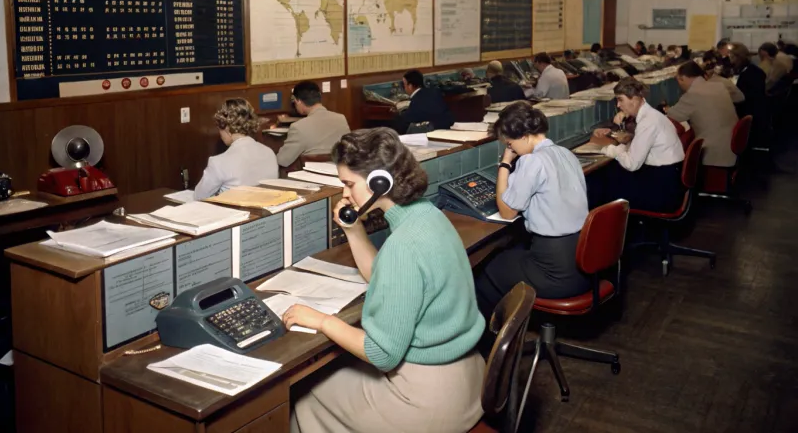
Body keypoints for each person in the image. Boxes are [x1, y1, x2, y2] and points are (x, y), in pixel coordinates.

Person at [286, 128, 485, 433]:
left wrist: (323, 321)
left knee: (304, 393)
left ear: (380, 182)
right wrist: (353, 231)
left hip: (429, 402)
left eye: (349, 184)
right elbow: (383, 274)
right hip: (469, 380)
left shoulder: (403, 247)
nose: (345, 194)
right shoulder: (427, 215)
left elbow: (382, 353)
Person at [474, 103, 590, 319]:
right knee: (512, 253)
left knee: (486, 268)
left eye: (510, 144)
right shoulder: (565, 153)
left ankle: (492, 346)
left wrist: (505, 164)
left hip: (553, 270)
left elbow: (507, 212)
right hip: (582, 263)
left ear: (525, 136)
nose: (511, 149)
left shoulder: (532, 161)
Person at [592, 78, 684, 213]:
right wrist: (618, 148)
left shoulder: (648, 122)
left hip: (662, 188)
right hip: (667, 177)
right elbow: (636, 148)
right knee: (610, 175)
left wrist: (609, 150)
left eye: (620, 100)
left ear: (634, 100)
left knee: (601, 182)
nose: (618, 105)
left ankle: (601, 228)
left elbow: (632, 164)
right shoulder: (650, 115)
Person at [194, 99, 278, 200]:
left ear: (227, 129)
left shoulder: (218, 162)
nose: (220, 135)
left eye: (219, 129)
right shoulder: (269, 153)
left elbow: (199, 197)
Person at [665, 61, 739, 167]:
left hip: (714, 153)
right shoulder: (719, 86)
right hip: (732, 144)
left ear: (683, 78)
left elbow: (672, 116)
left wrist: (666, 109)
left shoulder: (692, 95)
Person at [276, 81, 350, 168]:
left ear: (298, 101)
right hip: (339, 174)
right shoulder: (341, 119)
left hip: (311, 177)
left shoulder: (298, 128)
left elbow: (282, 161)